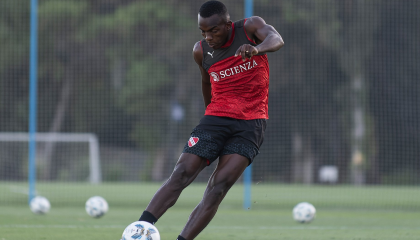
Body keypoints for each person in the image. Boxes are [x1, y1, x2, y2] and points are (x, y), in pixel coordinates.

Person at [136, 1, 284, 239]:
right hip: (215, 120)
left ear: (227, 25)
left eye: (213, 30)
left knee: (218, 188)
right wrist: (209, 117)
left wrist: (257, 49)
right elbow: (207, 83)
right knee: (182, 173)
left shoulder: (250, 27)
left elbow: (277, 39)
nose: (208, 37)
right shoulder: (201, 51)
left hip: (251, 124)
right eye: (203, 32)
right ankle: (139, 229)